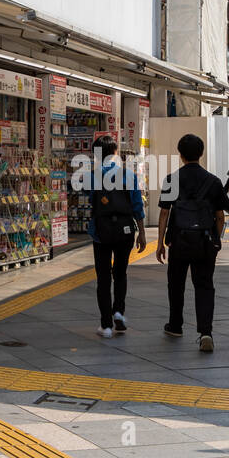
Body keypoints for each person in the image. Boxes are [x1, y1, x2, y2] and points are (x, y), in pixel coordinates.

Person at [157, 133, 229, 353]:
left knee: (176, 283)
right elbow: (220, 216)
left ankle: (175, 325)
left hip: (179, 241)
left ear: (180, 154)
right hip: (205, 242)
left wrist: (160, 242)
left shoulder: (171, 179)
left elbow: (163, 213)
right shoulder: (213, 181)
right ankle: (205, 332)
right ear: (201, 153)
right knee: (205, 285)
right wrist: (215, 241)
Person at [80, 134, 146, 338]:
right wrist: (142, 233)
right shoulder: (129, 175)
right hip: (125, 230)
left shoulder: (92, 176)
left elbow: (89, 197)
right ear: (116, 153)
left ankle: (106, 325)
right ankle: (119, 311)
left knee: (103, 277)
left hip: (101, 231)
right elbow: (137, 206)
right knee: (120, 273)